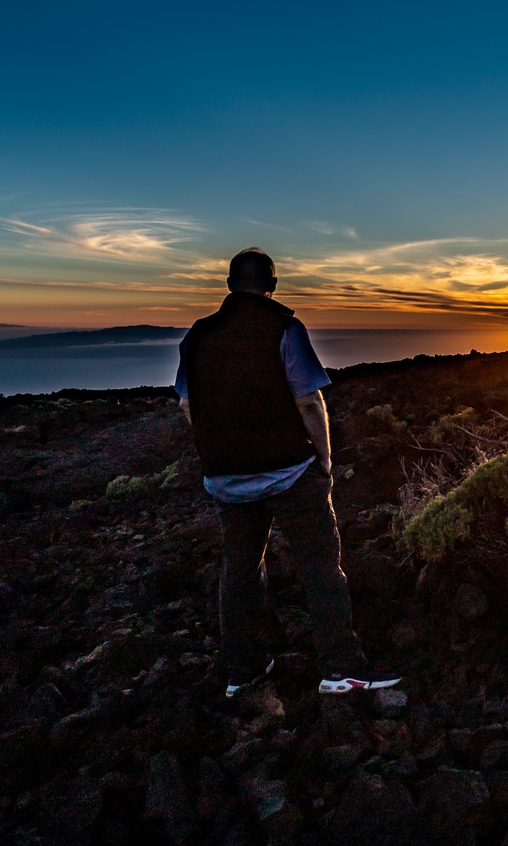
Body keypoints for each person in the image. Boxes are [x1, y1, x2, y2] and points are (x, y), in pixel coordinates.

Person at [176, 247, 400, 698]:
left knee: (239, 573)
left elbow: (186, 403)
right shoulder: (284, 328)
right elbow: (308, 401)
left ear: (228, 285)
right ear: (272, 286)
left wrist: (219, 447)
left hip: (226, 479)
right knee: (320, 568)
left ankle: (244, 672)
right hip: (291, 473)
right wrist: (324, 460)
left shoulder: (197, 336)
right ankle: (340, 668)